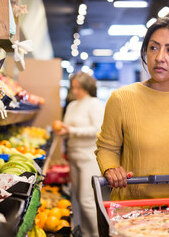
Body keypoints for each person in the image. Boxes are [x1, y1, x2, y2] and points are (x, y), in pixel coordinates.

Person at [95, 17, 169, 201]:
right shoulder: (122, 98)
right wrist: (111, 169)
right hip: (134, 211)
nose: (159, 58)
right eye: (153, 48)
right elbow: (106, 148)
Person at [54, 71, 104, 237]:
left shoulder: (94, 104)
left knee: (87, 200)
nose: (75, 91)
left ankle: (96, 234)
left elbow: (98, 130)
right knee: (75, 199)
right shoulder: (71, 106)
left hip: (89, 158)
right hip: (73, 157)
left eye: (78, 87)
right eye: (73, 87)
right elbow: (69, 130)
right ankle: (82, 232)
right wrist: (65, 133)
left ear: (87, 86)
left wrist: (72, 131)